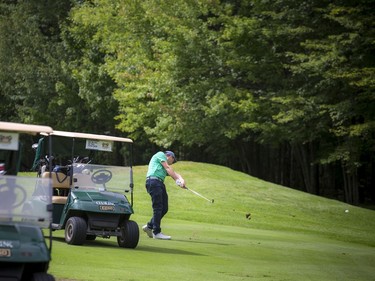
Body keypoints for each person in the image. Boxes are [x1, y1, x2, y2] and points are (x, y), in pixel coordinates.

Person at [143, 150, 186, 240]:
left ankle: (149, 226)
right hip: (153, 181)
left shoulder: (161, 166)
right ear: (170, 156)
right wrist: (177, 180)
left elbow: (174, 173)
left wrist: (181, 180)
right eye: (173, 160)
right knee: (158, 207)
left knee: (164, 208)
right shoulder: (160, 154)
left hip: (159, 183)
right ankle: (156, 232)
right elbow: (168, 168)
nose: (172, 163)